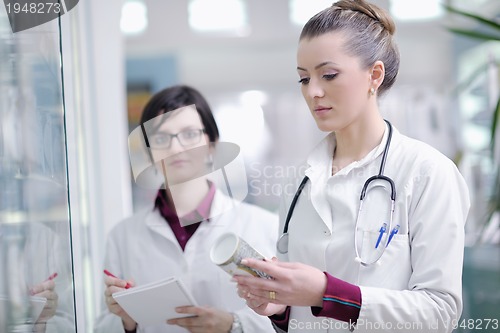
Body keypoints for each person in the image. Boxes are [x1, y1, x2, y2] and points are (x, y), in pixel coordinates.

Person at [233, 1, 470, 332]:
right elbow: (301, 311)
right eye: (304, 79)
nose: (313, 92)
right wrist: (278, 306)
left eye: (329, 75)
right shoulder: (300, 180)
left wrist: (328, 293)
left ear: (374, 75)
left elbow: (440, 312)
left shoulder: (427, 173)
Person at [93, 85, 278, 333]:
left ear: (211, 144)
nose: (176, 148)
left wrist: (233, 325)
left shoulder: (263, 226)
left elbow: (290, 319)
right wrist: (126, 321)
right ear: (149, 152)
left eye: (189, 134)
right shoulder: (123, 236)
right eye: (161, 138)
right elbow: (102, 326)